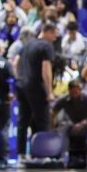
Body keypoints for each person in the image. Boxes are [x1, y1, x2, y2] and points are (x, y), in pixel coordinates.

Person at [15, 22, 57, 158]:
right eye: (54, 34)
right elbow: (46, 69)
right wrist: (49, 91)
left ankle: (21, 154)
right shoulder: (46, 46)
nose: (55, 38)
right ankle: (42, 154)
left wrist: (19, 79)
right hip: (36, 85)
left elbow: (15, 63)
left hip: (22, 86)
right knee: (42, 120)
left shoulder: (27, 44)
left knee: (23, 121)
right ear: (48, 32)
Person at [51, 80, 87, 169]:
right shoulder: (64, 100)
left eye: (77, 91)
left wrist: (83, 123)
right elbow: (54, 112)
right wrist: (53, 126)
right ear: (69, 91)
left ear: (80, 90)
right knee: (63, 129)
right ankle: (63, 158)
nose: (75, 93)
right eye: (72, 91)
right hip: (72, 124)